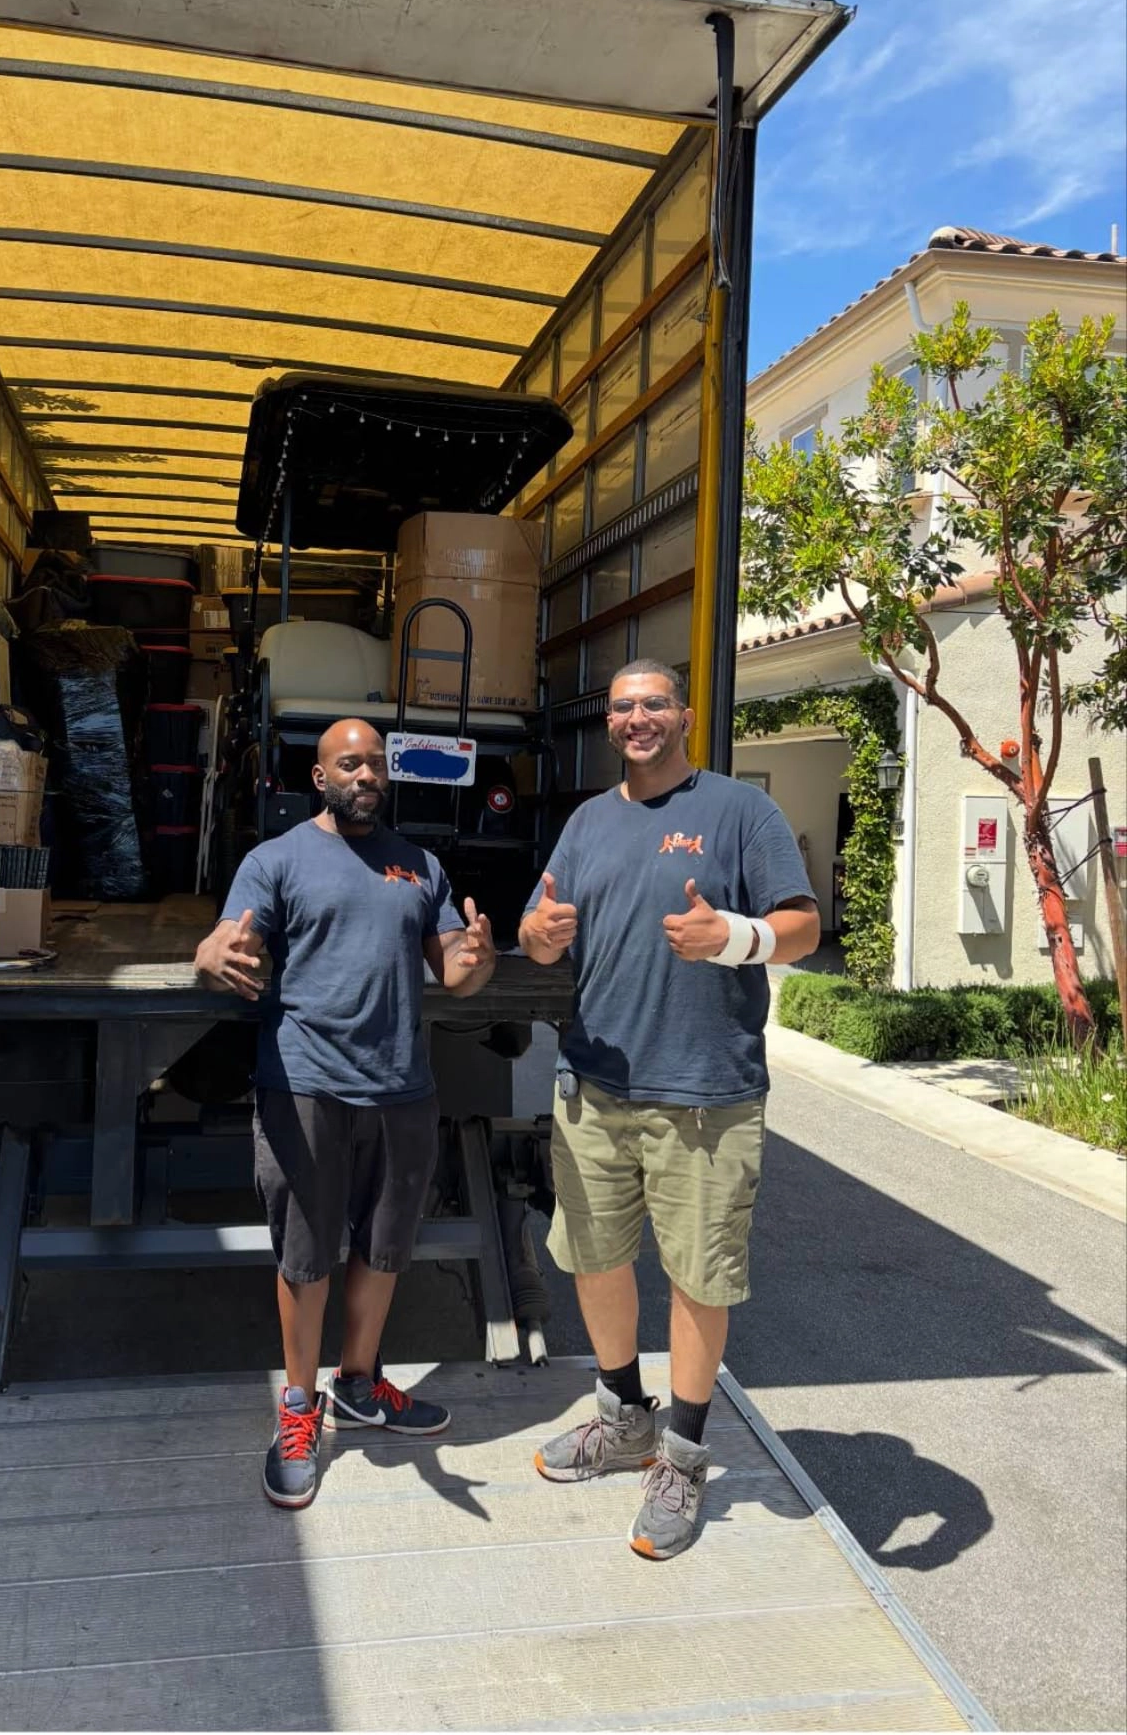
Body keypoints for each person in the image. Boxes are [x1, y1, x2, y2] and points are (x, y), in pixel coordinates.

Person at [519, 661, 819, 1560]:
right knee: (596, 1258)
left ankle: (683, 1457)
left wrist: (739, 938)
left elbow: (801, 923)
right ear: (607, 722)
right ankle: (625, 1421)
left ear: (684, 715)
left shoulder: (739, 811)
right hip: (594, 1085)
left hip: (705, 1096)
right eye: (621, 706)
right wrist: (538, 936)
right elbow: (540, 923)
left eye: (653, 703)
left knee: (699, 1277)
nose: (637, 718)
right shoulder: (586, 820)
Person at [194, 718, 496, 1509]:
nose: (365, 775)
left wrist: (476, 958)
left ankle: (359, 1384)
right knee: (307, 1254)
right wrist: (210, 955)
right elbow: (227, 937)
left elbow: (454, 971)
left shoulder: (419, 866)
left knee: (386, 1248)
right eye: (348, 763)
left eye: (375, 765)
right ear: (320, 777)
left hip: (401, 1087)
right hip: (306, 1085)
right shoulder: (277, 860)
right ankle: (299, 1407)